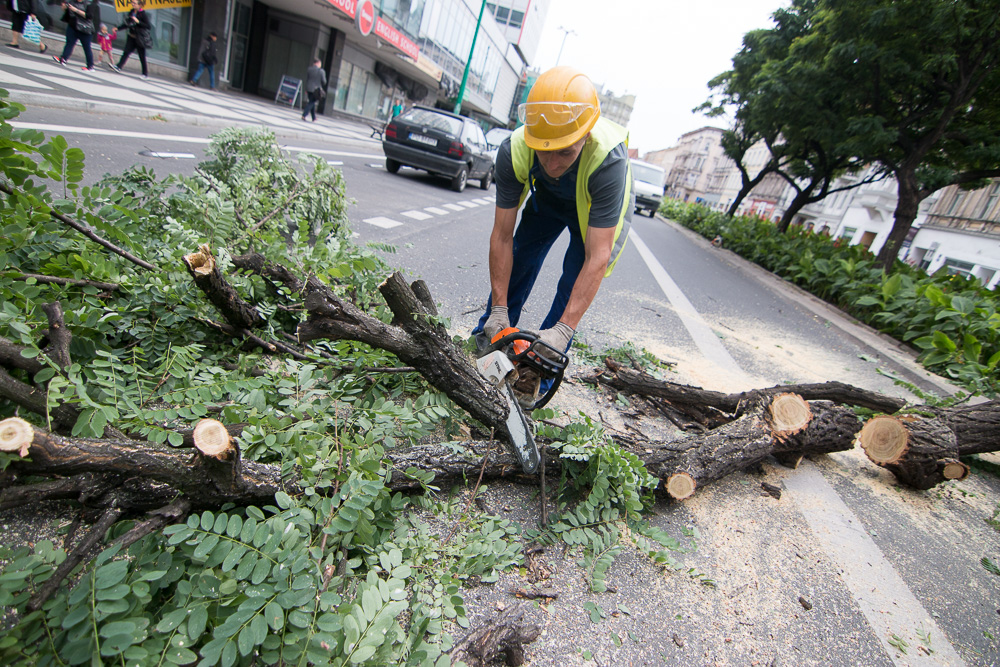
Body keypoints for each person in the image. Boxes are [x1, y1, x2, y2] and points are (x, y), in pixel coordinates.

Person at [473, 66, 634, 400]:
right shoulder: (514, 150)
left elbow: (597, 257)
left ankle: (535, 376)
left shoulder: (608, 161)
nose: (552, 163)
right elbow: (502, 236)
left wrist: (564, 329)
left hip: (593, 208)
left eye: (565, 151)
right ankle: (489, 339)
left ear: (586, 136)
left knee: (573, 279)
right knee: (522, 254)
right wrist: (499, 309)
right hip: (548, 198)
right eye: (543, 150)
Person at [52, 0, 97, 71]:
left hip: (85, 29)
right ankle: (63, 59)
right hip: (73, 26)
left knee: (86, 47)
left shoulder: (89, 3)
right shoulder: (72, 1)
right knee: (69, 43)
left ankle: (90, 66)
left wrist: (75, 10)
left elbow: (89, 16)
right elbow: (68, 13)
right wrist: (64, 8)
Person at [110, 0, 150, 79]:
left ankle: (145, 74)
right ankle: (119, 67)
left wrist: (138, 21)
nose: (132, 4)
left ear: (140, 5)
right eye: (132, 3)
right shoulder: (132, 12)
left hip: (139, 38)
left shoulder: (143, 14)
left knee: (142, 56)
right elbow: (127, 24)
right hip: (131, 36)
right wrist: (118, 28)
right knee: (126, 52)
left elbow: (148, 26)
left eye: (134, 3)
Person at [301, 58, 327, 122]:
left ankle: (314, 117)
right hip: (316, 90)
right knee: (311, 102)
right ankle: (304, 115)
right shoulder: (321, 71)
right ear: (318, 63)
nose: (320, 65)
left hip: (309, 88)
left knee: (311, 102)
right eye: (320, 63)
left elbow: (308, 78)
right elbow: (324, 81)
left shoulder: (309, 69)